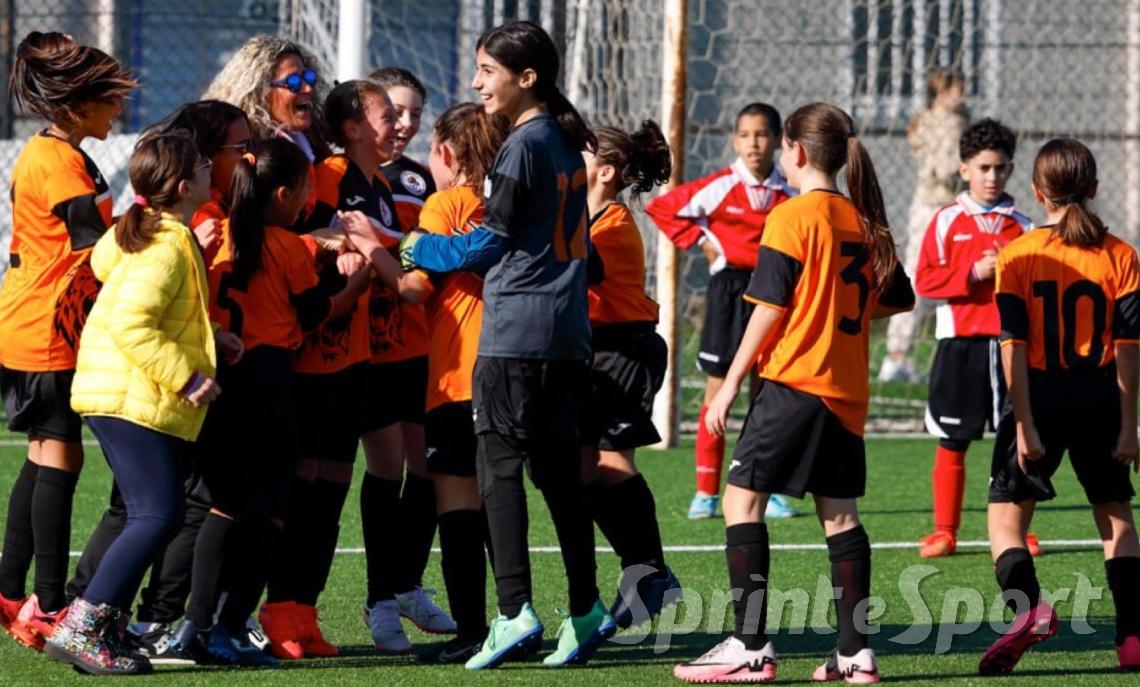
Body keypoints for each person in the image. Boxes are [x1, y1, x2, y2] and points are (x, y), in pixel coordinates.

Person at [363, 20, 615, 669]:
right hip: (564, 332)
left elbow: (488, 242)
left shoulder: (525, 144)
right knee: (559, 476)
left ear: (525, 77)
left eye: (486, 70)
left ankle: (512, 614)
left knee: (496, 471)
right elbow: (581, 253)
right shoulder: (565, 140)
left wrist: (418, 247)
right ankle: (585, 609)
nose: (476, 82)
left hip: (517, 334)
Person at [674, 103, 914, 684]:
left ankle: (749, 646)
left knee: (740, 503)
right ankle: (855, 652)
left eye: (782, 146)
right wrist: (837, 310)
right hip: (845, 390)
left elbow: (771, 307)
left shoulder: (791, 215)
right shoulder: (864, 218)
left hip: (795, 384)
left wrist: (728, 383)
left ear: (797, 152)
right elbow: (899, 297)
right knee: (839, 517)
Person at [64, 100, 253, 663]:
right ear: (180, 184)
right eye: (201, 168)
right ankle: (82, 626)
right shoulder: (167, 243)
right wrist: (188, 375)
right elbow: (130, 322)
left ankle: (104, 625)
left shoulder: (157, 234)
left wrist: (212, 335)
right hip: (130, 396)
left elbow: (151, 306)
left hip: (125, 393)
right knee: (157, 514)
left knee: (156, 512)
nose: (211, 175)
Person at [980, 138, 1140, 675]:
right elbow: (1128, 349)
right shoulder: (1120, 254)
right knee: (1115, 517)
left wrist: (1024, 423)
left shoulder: (1018, 254)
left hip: (1041, 395)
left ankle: (1028, 613)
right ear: (1094, 189)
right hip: (1100, 397)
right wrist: (1128, 423)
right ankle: (1133, 637)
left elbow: (1013, 349)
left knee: (1006, 518)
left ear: (1036, 191)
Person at [0, 31, 137, 651]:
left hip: (44, 320)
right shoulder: (54, 158)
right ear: (78, 102)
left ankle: (9, 590)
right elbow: (94, 241)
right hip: (42, 325)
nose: (119, 110)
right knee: (59, 455)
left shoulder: (66, 151)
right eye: (111, 99)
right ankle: (49, 605)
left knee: (45, 454)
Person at [373, 101, 510, 663]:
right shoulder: (510, 204)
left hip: (458, 374)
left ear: (445, 153)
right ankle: (515, 620)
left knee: (455, 500)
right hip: (512, 368)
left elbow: (413, 290)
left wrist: (368, 248)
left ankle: (474, 631)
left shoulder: (446, 203)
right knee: (501, 501)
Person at [645, 102, 797, 521]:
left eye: (762, 135)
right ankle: (706, 491)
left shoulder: (789, 193)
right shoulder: (719, 186)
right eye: (745, 135)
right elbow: (660, 208)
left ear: (777, 141)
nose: (753, 143)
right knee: (718, 393)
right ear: (734, 140)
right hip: (729, 293)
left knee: (767, 395)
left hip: (774, 298)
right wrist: (700, 241)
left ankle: (769, 488)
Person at [914, 118, 1041, 558]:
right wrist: (971, 273)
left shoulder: (1023, 226)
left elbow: (1036, 288)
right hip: (960, 346)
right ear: (964, 168)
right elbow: (925, 280)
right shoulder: (945, 220)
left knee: (1017, 438)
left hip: (1009, 346)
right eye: (983, 168)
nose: (992, 177)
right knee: (953, 439)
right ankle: (945, 531)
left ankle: (1017, 528)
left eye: (1001, 168)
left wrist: (1010, 270)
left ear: (1010, 170)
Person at [580, 120, 681, 629]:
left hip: (625, 350)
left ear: (605, 171)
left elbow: (577, 265)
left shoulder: (613, 223)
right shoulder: (585, 214)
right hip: (596, 351)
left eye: (579, 155)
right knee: (586, 469)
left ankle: (650, 573)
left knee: (611, 461)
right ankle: (645, 571)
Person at [879, 67, 967, 382]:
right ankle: (899, 354)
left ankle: (904, 352)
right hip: (937, 204)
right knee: (923, 274)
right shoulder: (945, 123)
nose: (963, 95)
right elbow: (944, 168)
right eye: (958, 89)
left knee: (935, 275)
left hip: (939, 203)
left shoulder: (936, 121)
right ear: (942, 92)